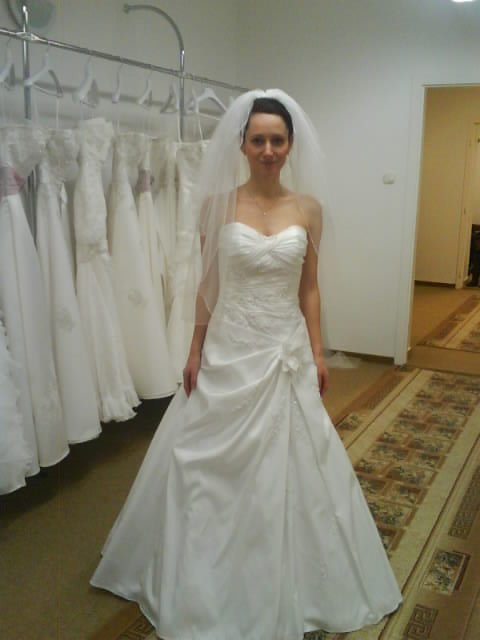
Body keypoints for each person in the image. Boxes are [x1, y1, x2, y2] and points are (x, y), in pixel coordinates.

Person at [91, 89, 402, 640]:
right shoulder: (216, 205)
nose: (267, 150)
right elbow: (207, 284)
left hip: (283, 348)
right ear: (241, 144)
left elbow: (309, 288)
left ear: (290, 144)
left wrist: (316, 349)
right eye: (257, 140)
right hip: (230, 345)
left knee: (297, 458)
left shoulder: (309, 209)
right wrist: (195, 348)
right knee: (203, 460)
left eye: (277, 140)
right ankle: (203, 572)